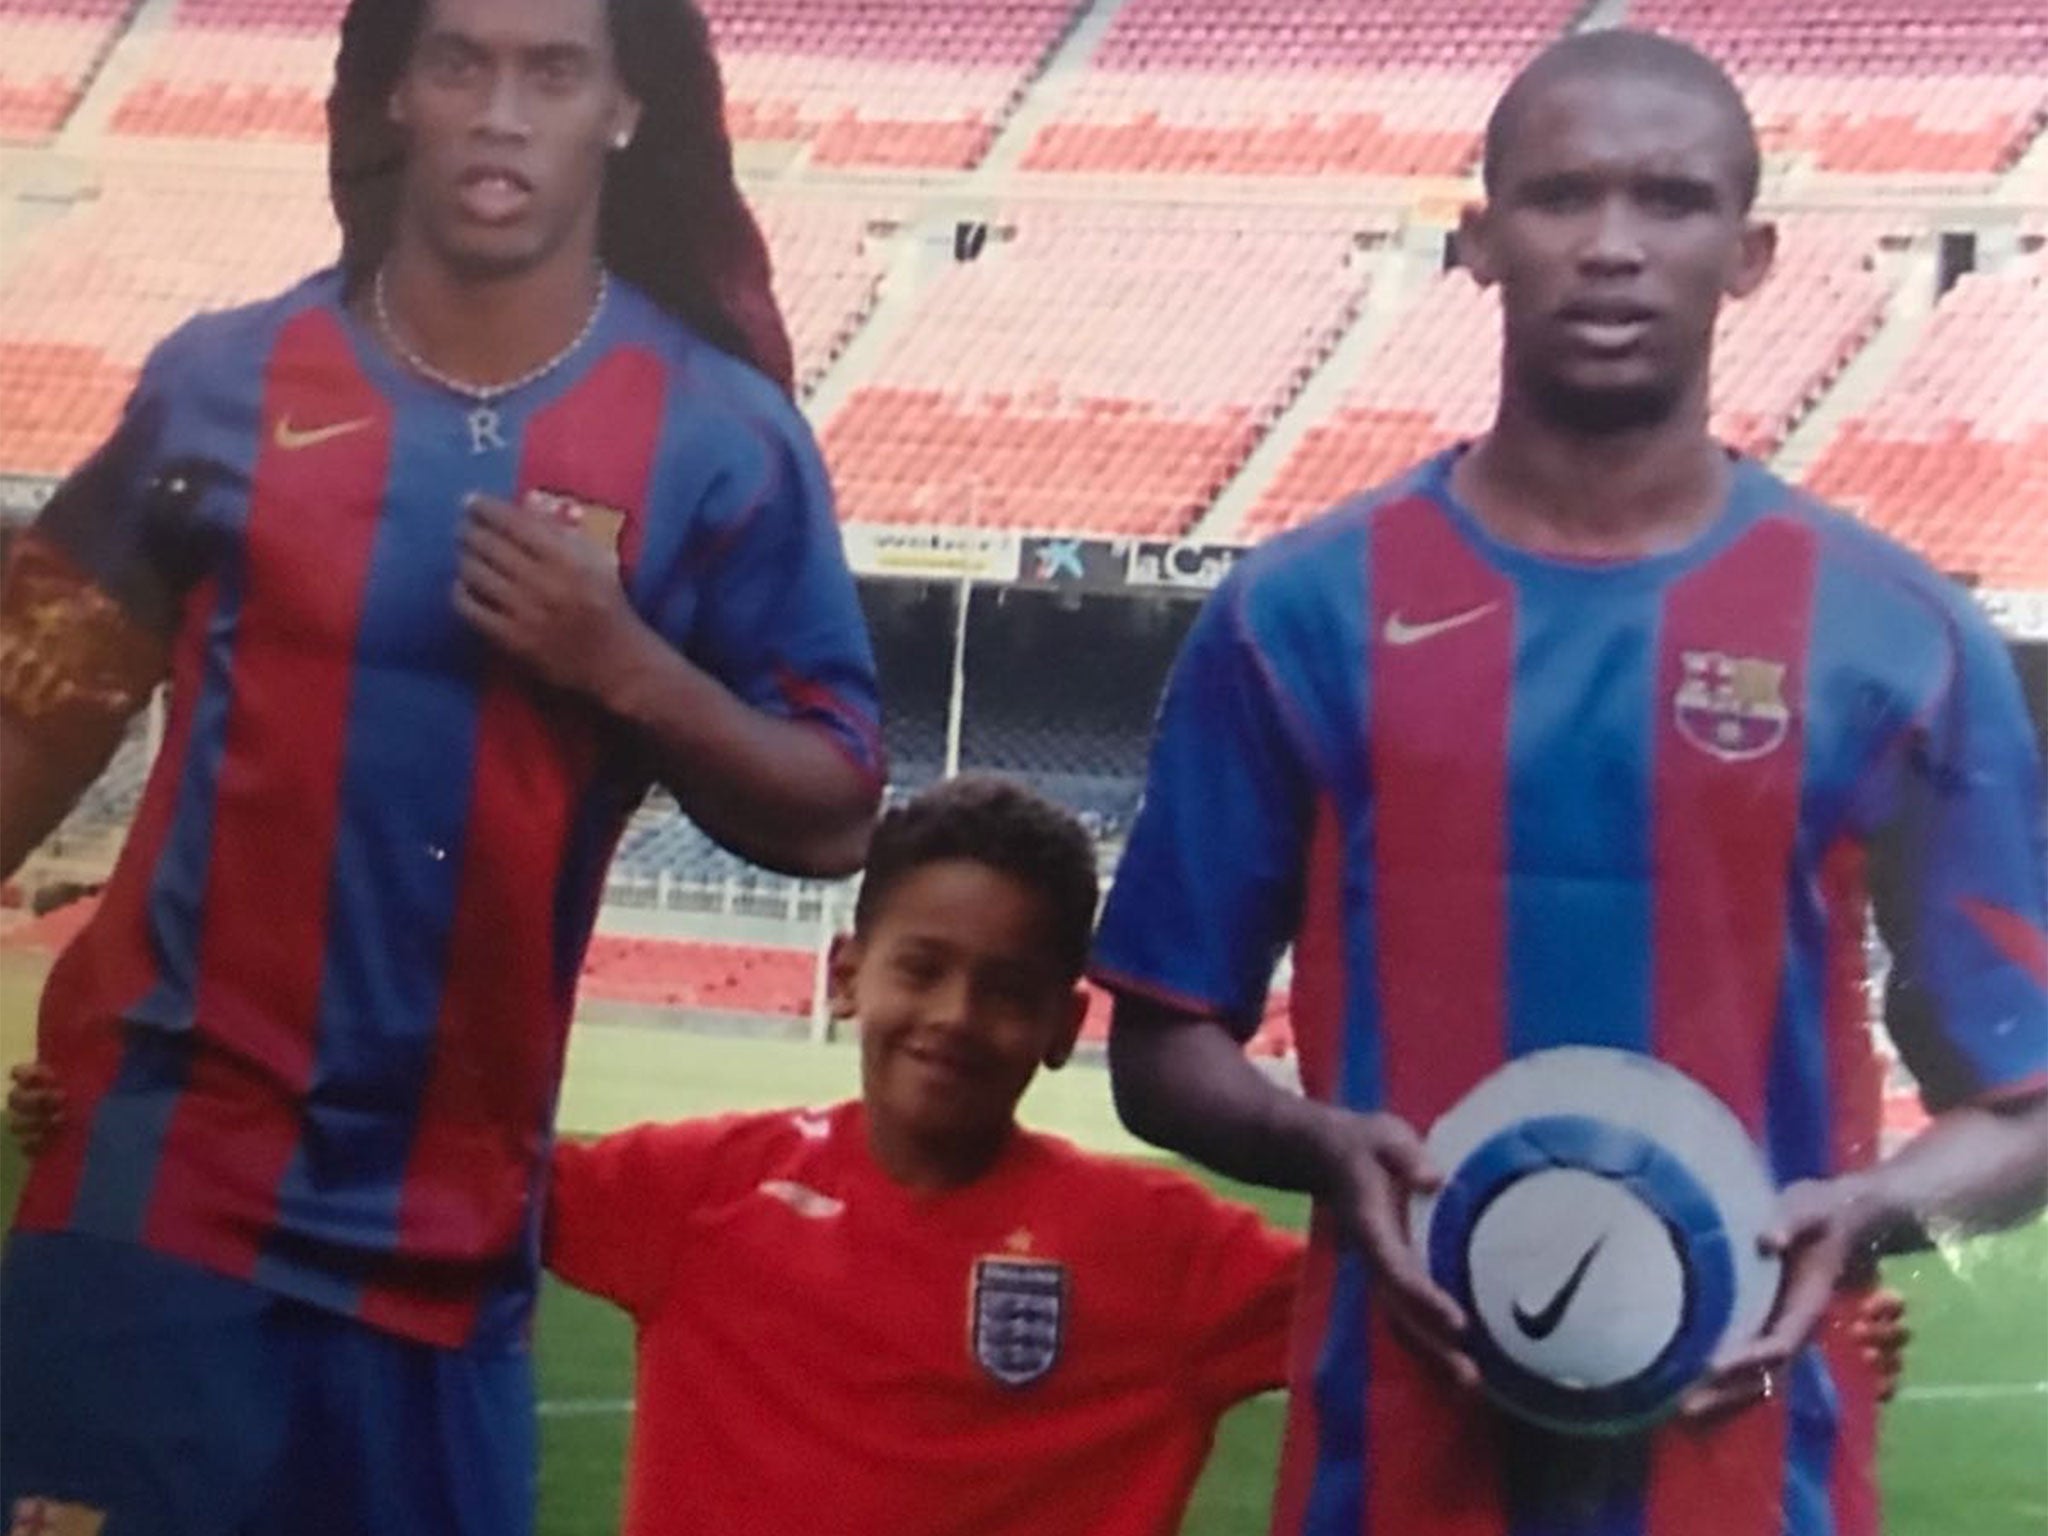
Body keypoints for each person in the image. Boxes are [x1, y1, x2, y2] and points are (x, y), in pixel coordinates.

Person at [5, 779, 1918, 1534]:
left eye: (1010, 989)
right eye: (921, 969)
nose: (956, 1018)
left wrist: (1763, 1348)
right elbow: (375, 1209)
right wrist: (124, 1127)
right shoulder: (697, 1187)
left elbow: (1471, 1339)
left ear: (1066, 1021)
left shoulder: (1157, 1249)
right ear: (848, 976)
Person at [1093, 29, 2048, 1536]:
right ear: (1477, 243)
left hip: (1759, 1477)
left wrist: (1871, 1211)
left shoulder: (1901, 638)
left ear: (1750, 254)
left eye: (1669, 201)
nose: (1613, 247)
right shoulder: (1298, 612)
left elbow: (2027, 1107)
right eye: (1560, 197)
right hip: (1387, 1469)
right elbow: (1162, 1044)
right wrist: (1318, 1148)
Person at [0, 0, 880, 1528]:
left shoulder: (727, 441)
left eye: (553, 70)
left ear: (625, 110)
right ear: (396, 91)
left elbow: (836, 807)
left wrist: (629, 670)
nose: (499, 109)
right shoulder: (218, 382)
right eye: (459, 60)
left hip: (450, 1234)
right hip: (155, 1183)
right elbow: (32, 714)